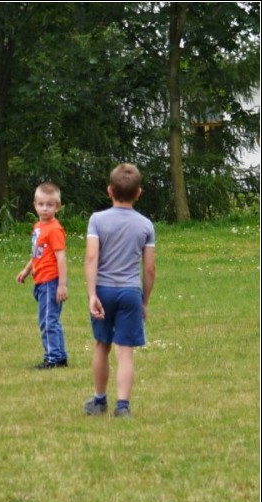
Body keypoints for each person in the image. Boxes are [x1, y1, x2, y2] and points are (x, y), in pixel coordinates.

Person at [83, 163, 156, 418]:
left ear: (109, 190)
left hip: (103, 290)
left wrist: (92, 295)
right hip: (129, 292)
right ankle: (122, 406)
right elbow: (149, 269)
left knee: (102, 345)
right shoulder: (146, 225)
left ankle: (99, 401)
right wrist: (143, 301)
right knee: (125, 351)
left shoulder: (97, 220)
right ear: (139, 193)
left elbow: (92, 259)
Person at [16, 182, 69, 369]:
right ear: (35, 204)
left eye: (49, 205)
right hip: (40, 280)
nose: (44, 208)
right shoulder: (38, 226)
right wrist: (26, 270)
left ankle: (53, 358)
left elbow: (61, 257)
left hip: (50, 281)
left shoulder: (54, 229)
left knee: (48, 321)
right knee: (51, 320)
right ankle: (60, 356)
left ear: (57, 207)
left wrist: (62, 284)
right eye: (41, 204)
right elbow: (37, 253)